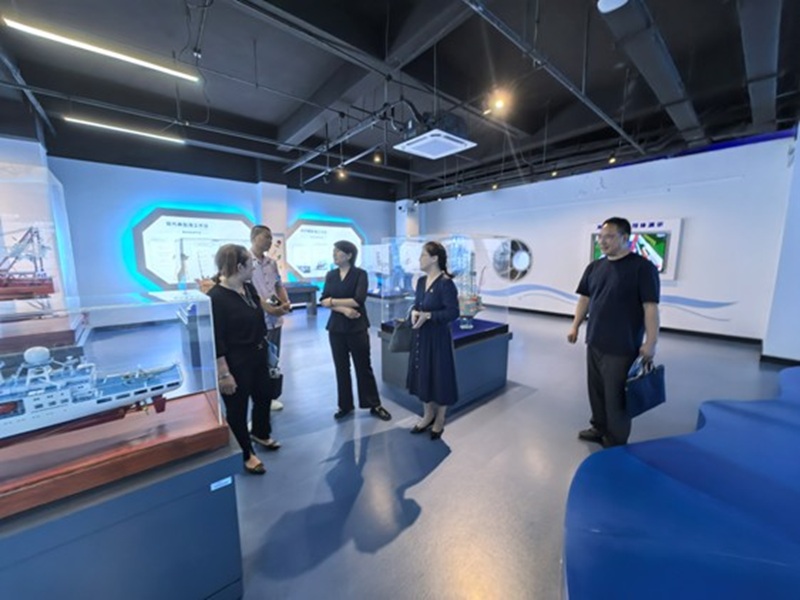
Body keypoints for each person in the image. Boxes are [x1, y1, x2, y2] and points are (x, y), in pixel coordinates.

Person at [567, 217, 660, 448]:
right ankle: (598, 427)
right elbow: (585, 299)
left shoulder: (642, 268)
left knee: (616, 397)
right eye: (600, 237)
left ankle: (616, 439)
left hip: (622, 346)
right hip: (595, 341)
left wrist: (651, 342)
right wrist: (575, 325)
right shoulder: (594, 267)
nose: (602, 241)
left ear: (625, 238)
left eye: (609, 236)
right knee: (596, 390)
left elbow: (650, 307)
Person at [208, 244, 281, 475]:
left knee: (264, 396)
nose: (254, 268)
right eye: (250, 264)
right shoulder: (216, 298)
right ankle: (246, 453)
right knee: (237, 408)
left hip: (258, 354)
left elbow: (259, 313)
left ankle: (260, 432)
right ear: (239, 267)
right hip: (235, 361)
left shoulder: (248, 288)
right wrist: (224, 374)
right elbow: (216, 339)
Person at [320, 240, 392, 422]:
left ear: (349, 255)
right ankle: (345, 405)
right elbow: (323, 300)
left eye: (338, 251)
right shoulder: (331, 275)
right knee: (341, 367)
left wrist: (333, 301)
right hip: (336, 328)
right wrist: (343, 309)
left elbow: (358, 300)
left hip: (356, 327)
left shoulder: (360, 274)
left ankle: (374, 404)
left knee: (363, 366)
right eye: (334, 251)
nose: (334, 254)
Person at [407, 241, 460, 440]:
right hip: (421, 336)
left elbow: (453, 312)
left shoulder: (445, 284)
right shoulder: (421, 281)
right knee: (423, 373)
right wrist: (414, 313)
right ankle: (428, 414)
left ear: (434, 258)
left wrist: (429, 316)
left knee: (439, 375)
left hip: (438, 338)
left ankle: (440, 418)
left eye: (423, 255)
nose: (419, 259)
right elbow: (417, 304)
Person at [249, 225, 291, 412]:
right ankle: (258, 397)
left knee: (273, 357)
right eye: (266, 237)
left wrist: (285, 302)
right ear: (254, 237)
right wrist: (267, 308)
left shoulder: (271, 263)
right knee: (257, 360)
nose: (270, 241)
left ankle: (270, 396)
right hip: (256, 320)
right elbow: (247, 291)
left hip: (275, 320)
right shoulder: (245, 262)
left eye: (271, 237)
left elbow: (278, 285)